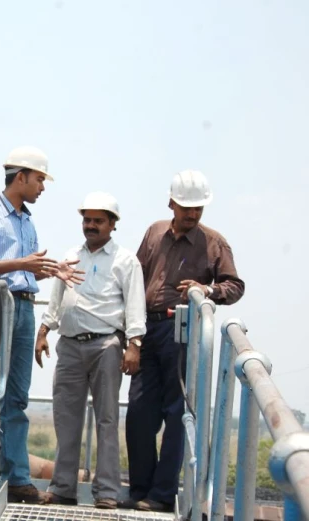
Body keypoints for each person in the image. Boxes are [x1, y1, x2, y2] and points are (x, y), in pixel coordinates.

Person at [0, 145, 83, 505]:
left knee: (17, 396)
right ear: (21, 178)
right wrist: (22, 264)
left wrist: (48, 269)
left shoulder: (27, 222)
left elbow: (23, 269)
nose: (42, 187)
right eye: (40, 179)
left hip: (24, 310)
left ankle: (17, 478)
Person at [122, 170, 245, 512]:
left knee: (177, 414)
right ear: (171, 203)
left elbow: (235, 286)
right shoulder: (154, 233)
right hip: (146, 329)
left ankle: (161, 496)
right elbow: (135, 280)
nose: (192, 214)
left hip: (183, 333)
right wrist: (129, 333)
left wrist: (207, 290)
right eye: (187, 208)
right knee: (139, 412)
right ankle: (139, 490)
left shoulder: (214, 243)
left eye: (198, 209)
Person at [35, 192, 146, 509]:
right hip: (69, 345)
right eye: (87, 220)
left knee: (107, 420)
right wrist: (44, 331)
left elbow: (135, 305)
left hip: (106, 345)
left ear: (113, 224)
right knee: (65, 419)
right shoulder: (71, 255)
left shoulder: (125, 261)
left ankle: (107, 492)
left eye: (98, 221)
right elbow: (57, 298)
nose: (91, 226)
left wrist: (134, 344)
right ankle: (62, 488)